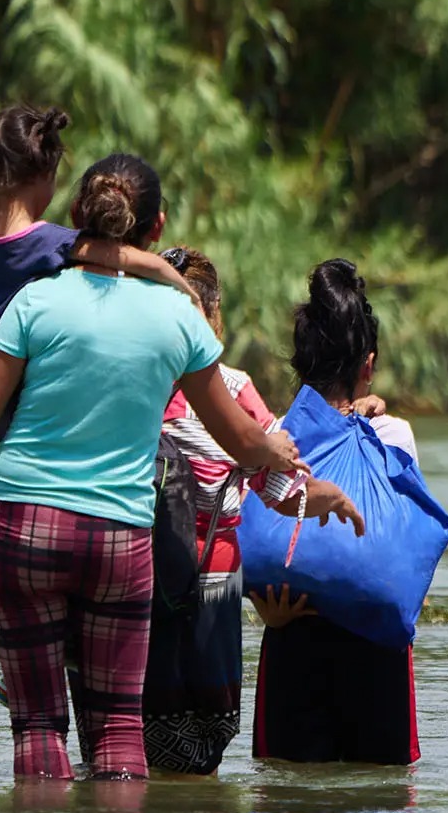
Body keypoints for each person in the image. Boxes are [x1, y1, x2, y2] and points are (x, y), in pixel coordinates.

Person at [0, 153, 325, 780]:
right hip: (118, 536)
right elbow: (238, 438)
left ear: (75, 217)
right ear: (157, 229)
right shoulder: (178, 316)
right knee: (120, 732)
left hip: (20, 525)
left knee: (39, 727)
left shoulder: (34, 301)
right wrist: (275, 451)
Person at [140, 247, 362, 774]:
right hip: (209, 583)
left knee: (121, 736)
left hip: (132, 575)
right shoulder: (233, 389)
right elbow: (283, 490)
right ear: (213, 315)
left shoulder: (132, 379)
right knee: (200, 748)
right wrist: (333, 498)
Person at [0, 105, 189, 489]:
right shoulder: (47, 243)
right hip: (14, 396)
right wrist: (169, 274)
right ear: (47, 173)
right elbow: (116, 255)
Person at [251, 260, 426, 765]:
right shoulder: (394, 435)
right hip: (376, 649)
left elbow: (254, 532)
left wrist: (263, 607)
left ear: (301, 364)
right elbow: (404, 550)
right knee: (378, 806)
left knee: (286, 806)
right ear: (367, 366)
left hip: (290, 637)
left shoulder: (276, 436)